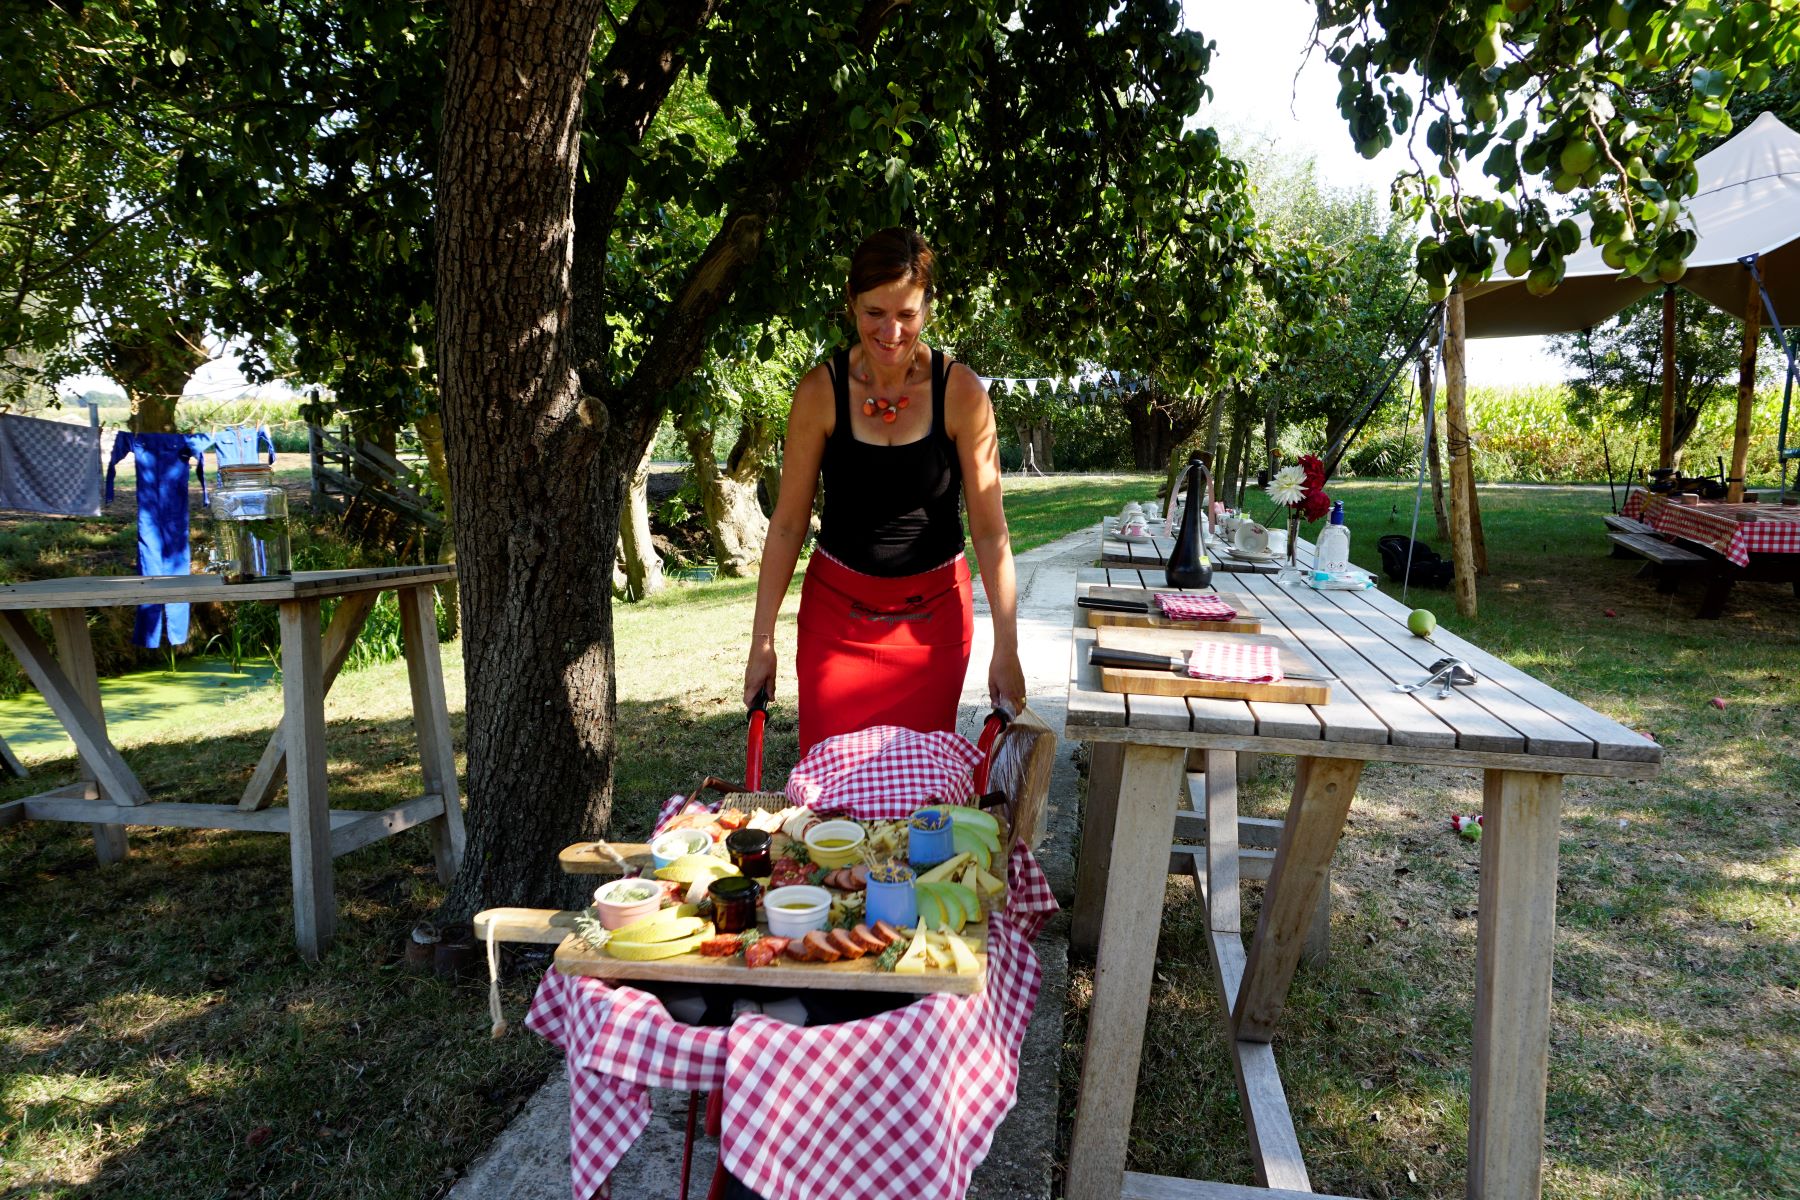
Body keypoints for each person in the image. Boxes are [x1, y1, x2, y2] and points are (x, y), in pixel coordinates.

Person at [743, 227, 1025, 754]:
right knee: (829, 801)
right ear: (851, 303)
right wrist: (762, 642)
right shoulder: (819, 393)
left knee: (918, 807)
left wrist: (1006, 648)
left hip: (931, 628)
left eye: (907, 314)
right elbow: (786, 524)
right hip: (836, 625)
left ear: (929, 309)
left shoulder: (961, 393)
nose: (892, 331)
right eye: (875, 313)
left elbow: (991, 533)